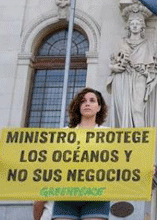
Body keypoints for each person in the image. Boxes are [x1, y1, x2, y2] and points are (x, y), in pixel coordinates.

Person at [33, 88, 110, 220]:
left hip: (96, 195)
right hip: (65, 196)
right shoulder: (63, 133)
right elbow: (47, 162)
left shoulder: (108, 134)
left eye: (92, 101)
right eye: (83, 101)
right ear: (78, 107)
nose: (87, 104)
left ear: (99, 108)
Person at [108, 5, 157, 128]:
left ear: (142, 27)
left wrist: (147, 72)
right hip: (121, 78)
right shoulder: (120, 43)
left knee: (137, 109)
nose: (134, 26)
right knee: (121, 110)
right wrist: (114, 68)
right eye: (132, 23)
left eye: (137, 23)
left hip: (139, 77)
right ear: (128, 26)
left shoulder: (150, 46)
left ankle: (139, 141)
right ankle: (123, 140)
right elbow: (111, 63)